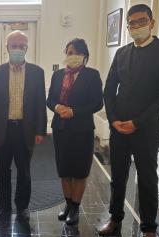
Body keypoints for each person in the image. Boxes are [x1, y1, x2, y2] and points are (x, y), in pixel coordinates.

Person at [98, 4, 159, 237]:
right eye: (132, 23)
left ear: (151, 23)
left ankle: (149, 229)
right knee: (118, 177)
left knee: (146, 178)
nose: (136, 26)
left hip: (147, 128)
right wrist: (113, 120)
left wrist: (137, 122)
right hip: (119, 127)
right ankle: (114, 218)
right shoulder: (122, 53)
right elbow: (109, 88)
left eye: (141, 21)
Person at [0, 30, 47, 222]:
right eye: (14, 46)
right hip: (3, 129)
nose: (18, 49)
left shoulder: (37, 72)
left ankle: (22, 208)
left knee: (24, 171)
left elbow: (39, 103)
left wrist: (40, 130)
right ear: (7, 48)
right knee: (3, 171)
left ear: (27, 48)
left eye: (21, 46)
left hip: (25, 130)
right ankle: (3, 208)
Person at [47, 38, 103, 225]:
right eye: (69, 52)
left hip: (82, 130)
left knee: (79, 171)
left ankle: (76, 208)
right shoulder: (58, 75)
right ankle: (68, 204)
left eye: (77, 52)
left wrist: (74, 111)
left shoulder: (92, 75)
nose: (72, 56)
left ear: (85, 56)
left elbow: (97, 103)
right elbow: (50, 99)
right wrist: (57, 108)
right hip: (60, 128)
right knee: (64, 170)